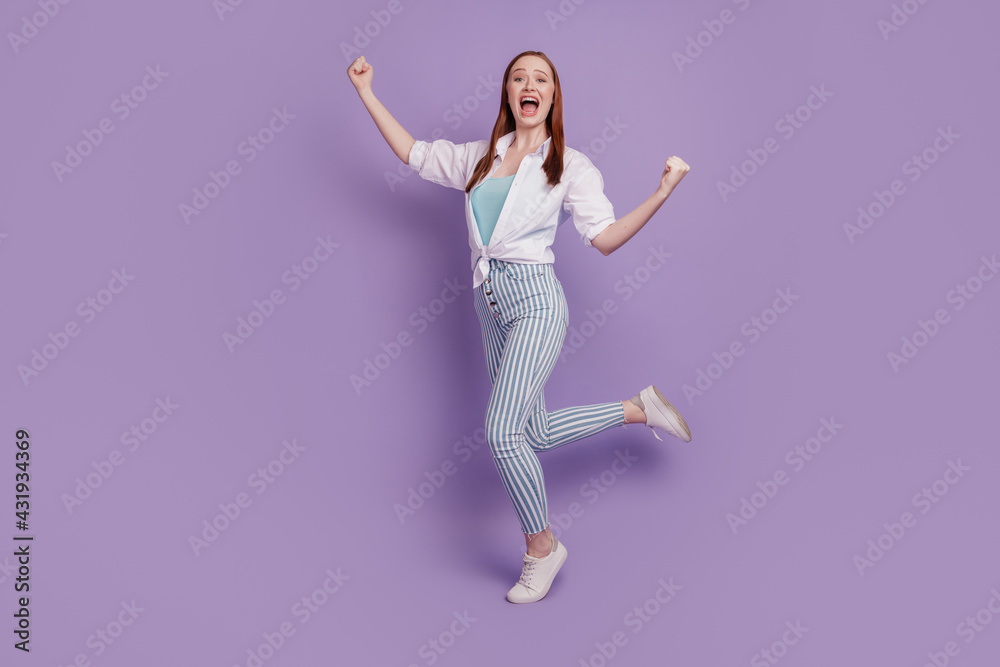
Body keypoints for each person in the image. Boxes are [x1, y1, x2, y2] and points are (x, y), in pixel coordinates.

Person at [347, 49, 694, 604]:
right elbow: (413, 153)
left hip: (535, 302)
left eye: (541, 79)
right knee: (530, 432)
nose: (529, 85)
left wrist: (662, 192)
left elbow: (603, 239)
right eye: (518, 77)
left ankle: (541, 548)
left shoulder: (570, 165)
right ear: (508, 94)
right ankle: (637, 408)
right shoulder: (483, 158)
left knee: (502, 433)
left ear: (553, 96)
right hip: (490, 305)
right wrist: (366, 92)